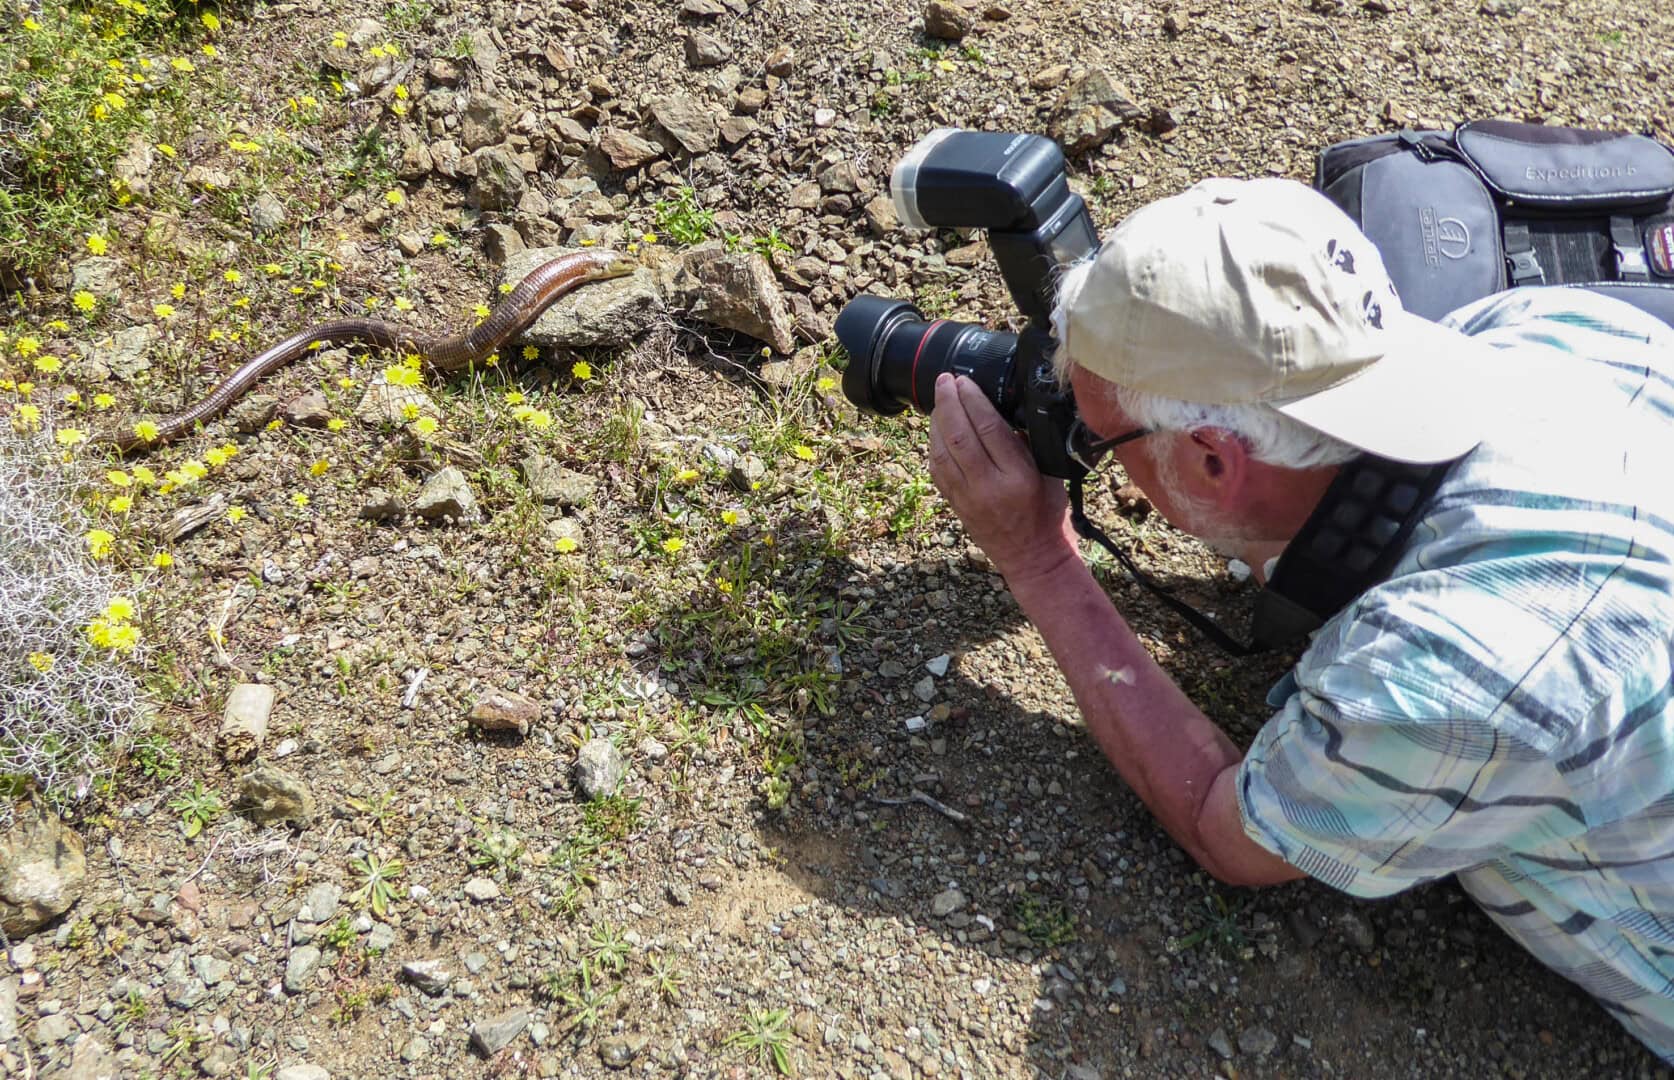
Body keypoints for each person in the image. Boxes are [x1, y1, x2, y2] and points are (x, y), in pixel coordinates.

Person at [924, 176, 1674, 1060]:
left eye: (1098, 438)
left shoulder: (1436, 672)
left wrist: (1039, 559)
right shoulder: (1560, 330)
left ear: (1212, 462)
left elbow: (1227, 830)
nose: (1082, 444)